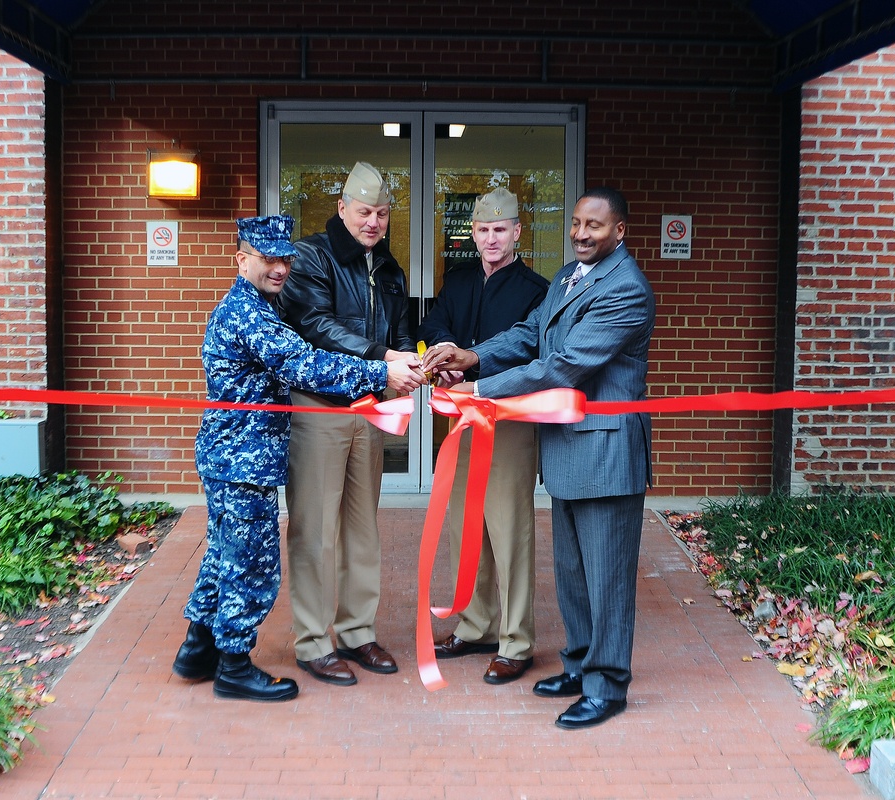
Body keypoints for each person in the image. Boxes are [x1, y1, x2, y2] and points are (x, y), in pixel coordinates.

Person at [421, 187, 655, 729]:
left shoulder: (625, 289)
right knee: (573, 574)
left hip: (607, 452)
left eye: (594, 225)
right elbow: (531, 333)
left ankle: (607, 685)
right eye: (576, 223)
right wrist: (473, 354)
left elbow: (563, 365)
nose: (580, 233)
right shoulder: (572, 276)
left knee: (607, 578)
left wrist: (480, 388)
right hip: (570, 448)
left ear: (619, 231)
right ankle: (579, 666)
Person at [172, 215, 424, 702]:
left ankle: (197, 647)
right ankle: (233, 665)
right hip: (243, 458)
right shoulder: (249, 313)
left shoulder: (254, 306)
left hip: (234, 455)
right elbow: (304, 363)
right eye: (268, 259)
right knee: (251, 564)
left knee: (223, 555)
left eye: (285, 258)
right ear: (241, 260)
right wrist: (381, 373)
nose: (280, 268)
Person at [278, 162, 425, 686]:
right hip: (318, 405)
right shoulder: (310, 256)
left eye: (382, 214)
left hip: (370, 407)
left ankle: (359, 632)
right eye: (365, 212)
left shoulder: (389, 268)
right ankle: (314, 642)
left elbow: (402, 330)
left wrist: (409, 365)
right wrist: (383, 357)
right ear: (342, 208)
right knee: (315, 528)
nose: (374, 222)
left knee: (363, 528)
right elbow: (316, 324)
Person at [417, 186, 549, 684]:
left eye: (500, 229)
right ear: (472, 234)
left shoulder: (536, 289)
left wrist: (469, 360)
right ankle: (475, 626)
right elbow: (433, 327)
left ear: (517, 232)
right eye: (483, 230)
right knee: (465, 525)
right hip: (461, 416)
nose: (491, 238)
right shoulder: (459, 281)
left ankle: (516, 640)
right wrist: (439, 361)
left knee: (509, 529)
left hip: (509, 419)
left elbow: (530, 349)